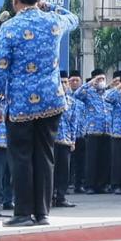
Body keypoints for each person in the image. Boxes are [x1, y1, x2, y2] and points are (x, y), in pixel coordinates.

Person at [0, 0, 80, 226]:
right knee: (45, 155)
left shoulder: (8, 27)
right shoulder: (53, 21)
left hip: (21, 104)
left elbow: (0, 71)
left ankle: (22, 213)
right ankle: (42, 213)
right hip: (52, 100)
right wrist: (50, 7)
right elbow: (74, 18)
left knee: (20, 157)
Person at [52, 75, 79, 209]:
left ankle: (61, 197)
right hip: (51, 141)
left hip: (65, 140)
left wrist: (73, 140)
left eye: (65, 82)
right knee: (50, 170)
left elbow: (74, 122)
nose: (63, 84)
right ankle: (49, 197)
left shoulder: (72, 102)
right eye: (61, 82)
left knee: (64, 171)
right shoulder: (50, 100)